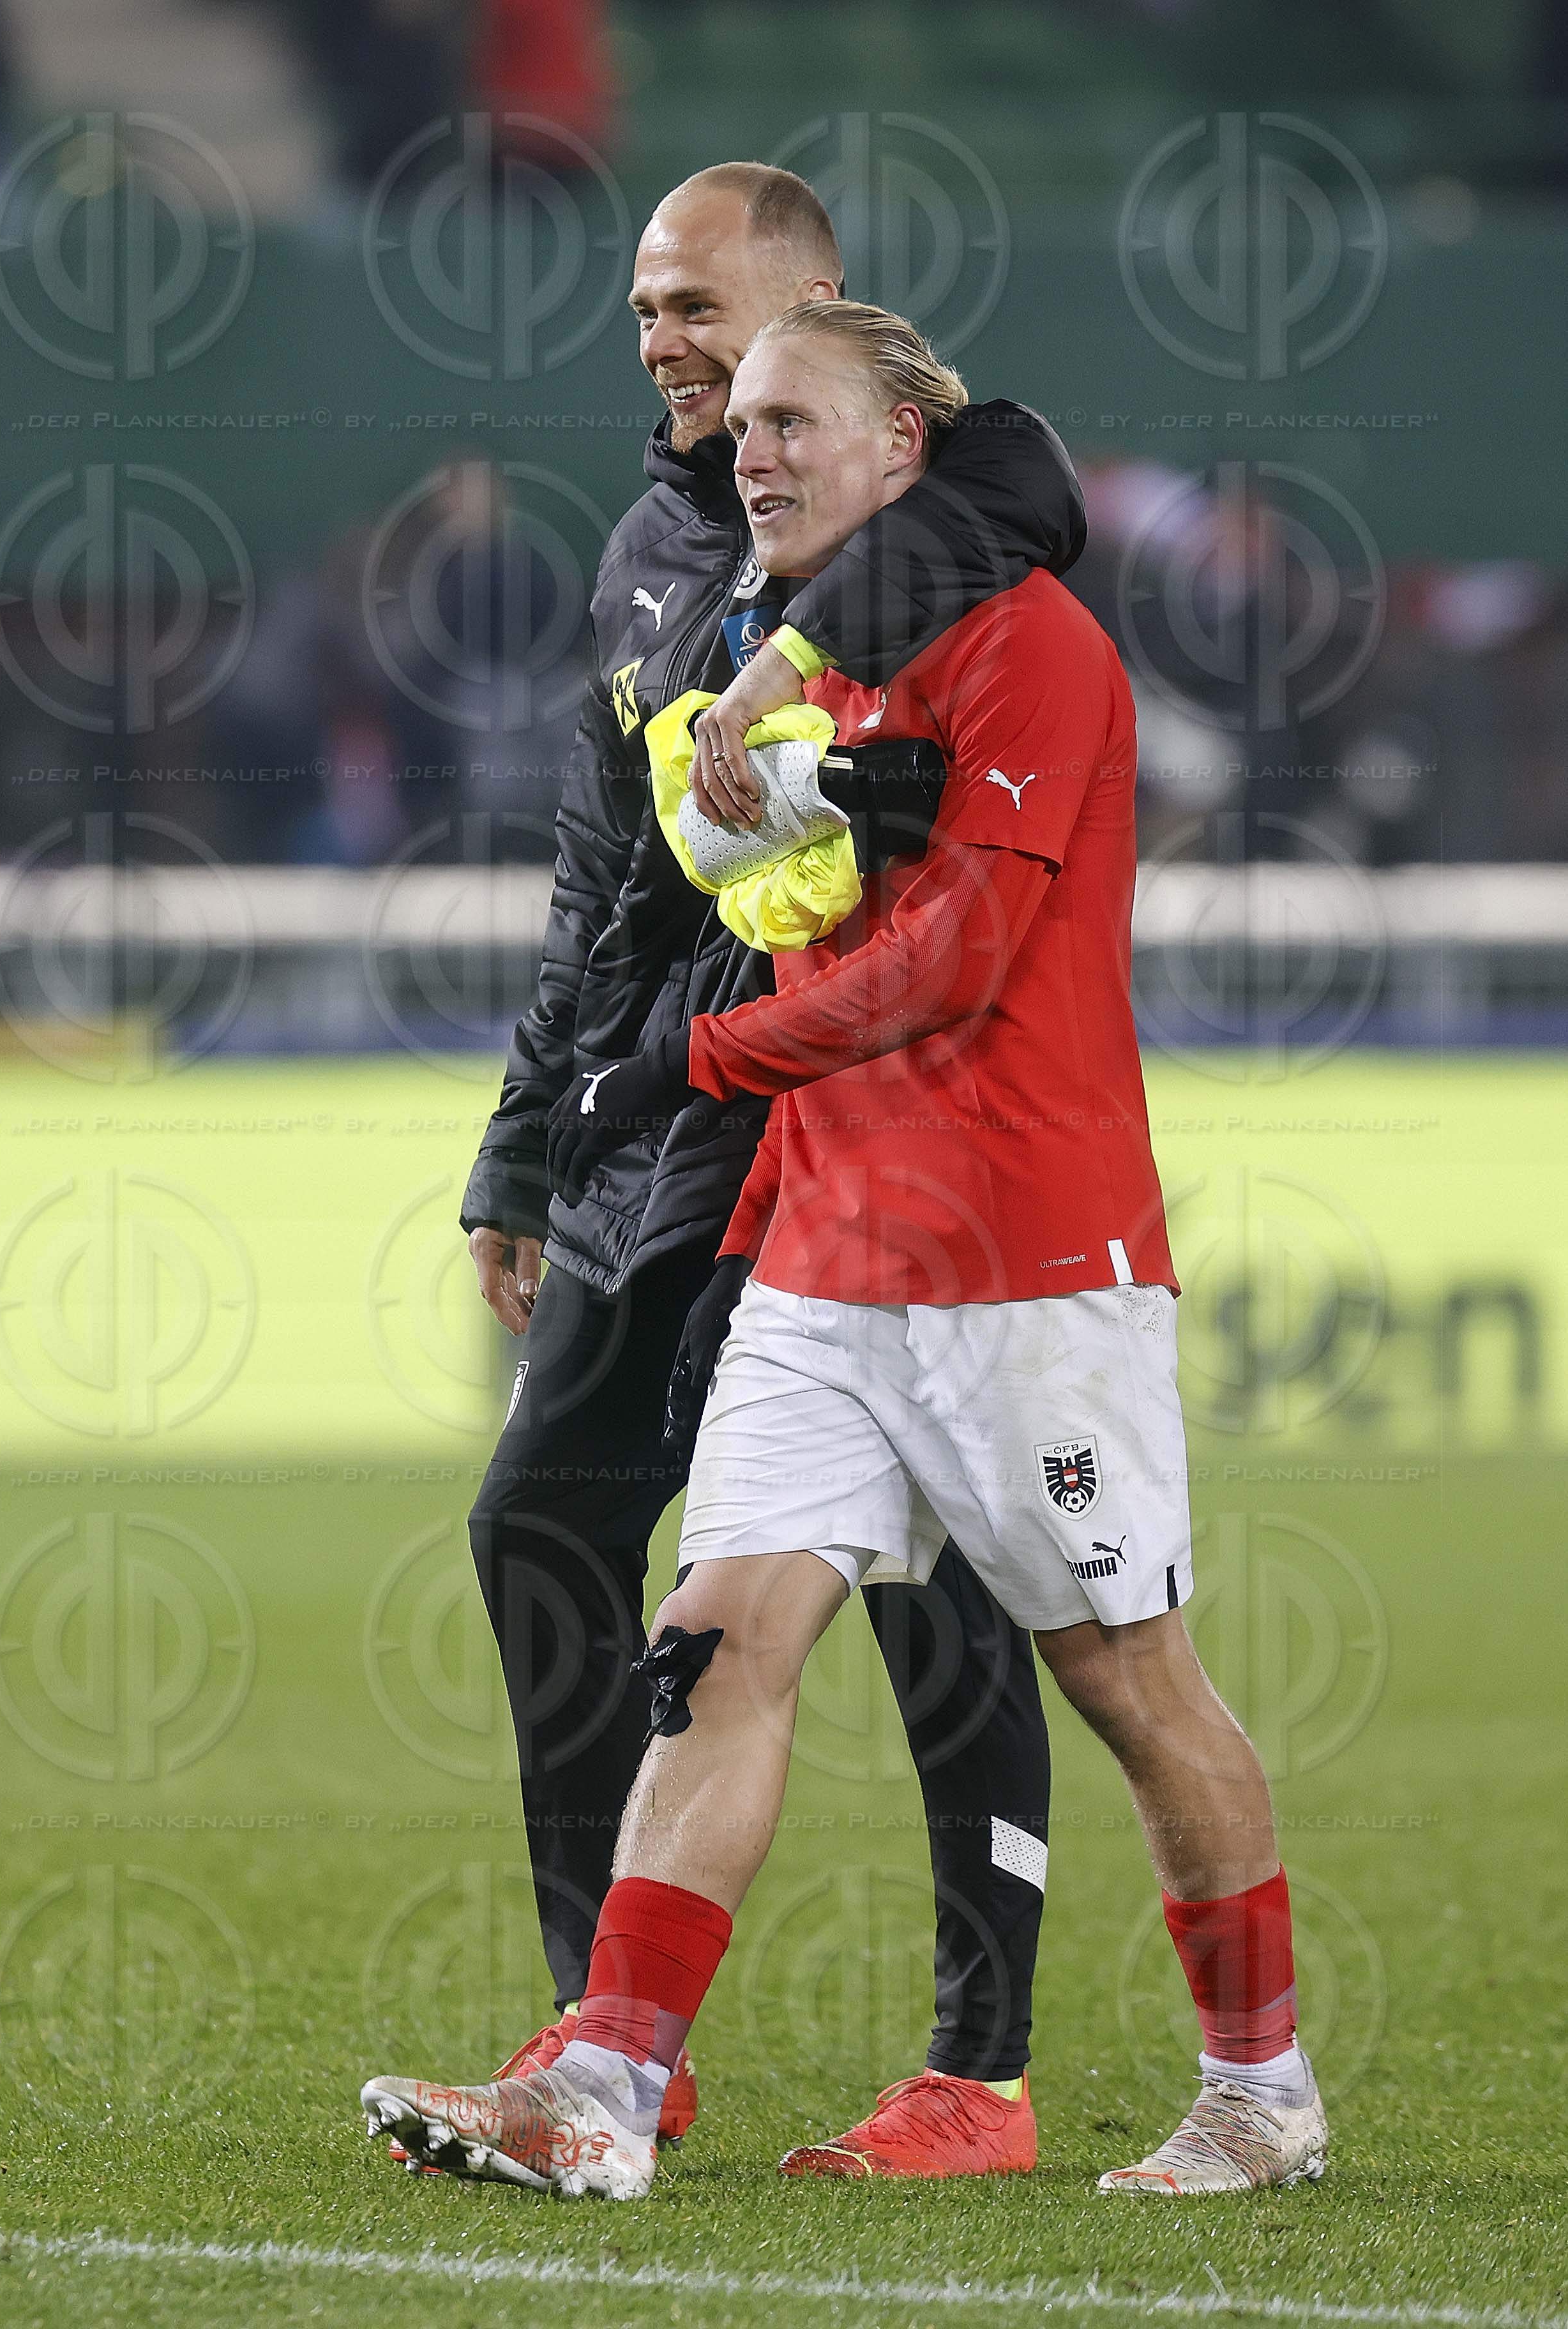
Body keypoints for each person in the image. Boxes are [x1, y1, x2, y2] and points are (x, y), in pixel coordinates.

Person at [367, 298, 1327, 2203]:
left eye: (799, 424)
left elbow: (959, 960)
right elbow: (765, 880)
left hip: (1030, 1272)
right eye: (750, 435)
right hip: (826, 1254)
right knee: (711, 1648)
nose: (758, 453)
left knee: (1133, 1682)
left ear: (908, 450)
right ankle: (613, 2083)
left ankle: (1261, 2090)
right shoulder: (770, 658)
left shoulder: (1040, 652)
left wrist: (686, 1062)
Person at [443, 162, 1083, 2180]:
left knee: (929, 1587)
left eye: (702, 308)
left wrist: (781, 665)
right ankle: (605, 2028)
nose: (664, 343)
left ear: (818, 307)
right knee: (540, 1522)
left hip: (879, 1098)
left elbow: (1029, 505)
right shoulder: (649, 541)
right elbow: (603, 865)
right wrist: (526, 1142)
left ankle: (978, 2067)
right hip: (674, 1107)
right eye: (646, 308)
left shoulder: (951, 482)